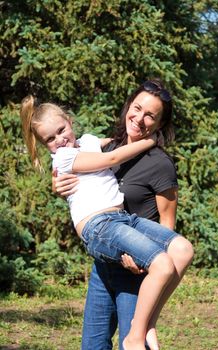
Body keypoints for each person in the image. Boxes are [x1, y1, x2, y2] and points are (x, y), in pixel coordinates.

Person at [52, 79, 194, 350]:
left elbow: (167, 225)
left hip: (136, 271)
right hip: (103, 267)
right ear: (128, 106)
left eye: (150, 115)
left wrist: (143, 263)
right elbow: (74, 176)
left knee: (133, 345)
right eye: (137, 108)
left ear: (159, 125)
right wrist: (57, 182)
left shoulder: (160, 164)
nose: (139, 118)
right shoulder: (106, 149)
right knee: (93, 346)